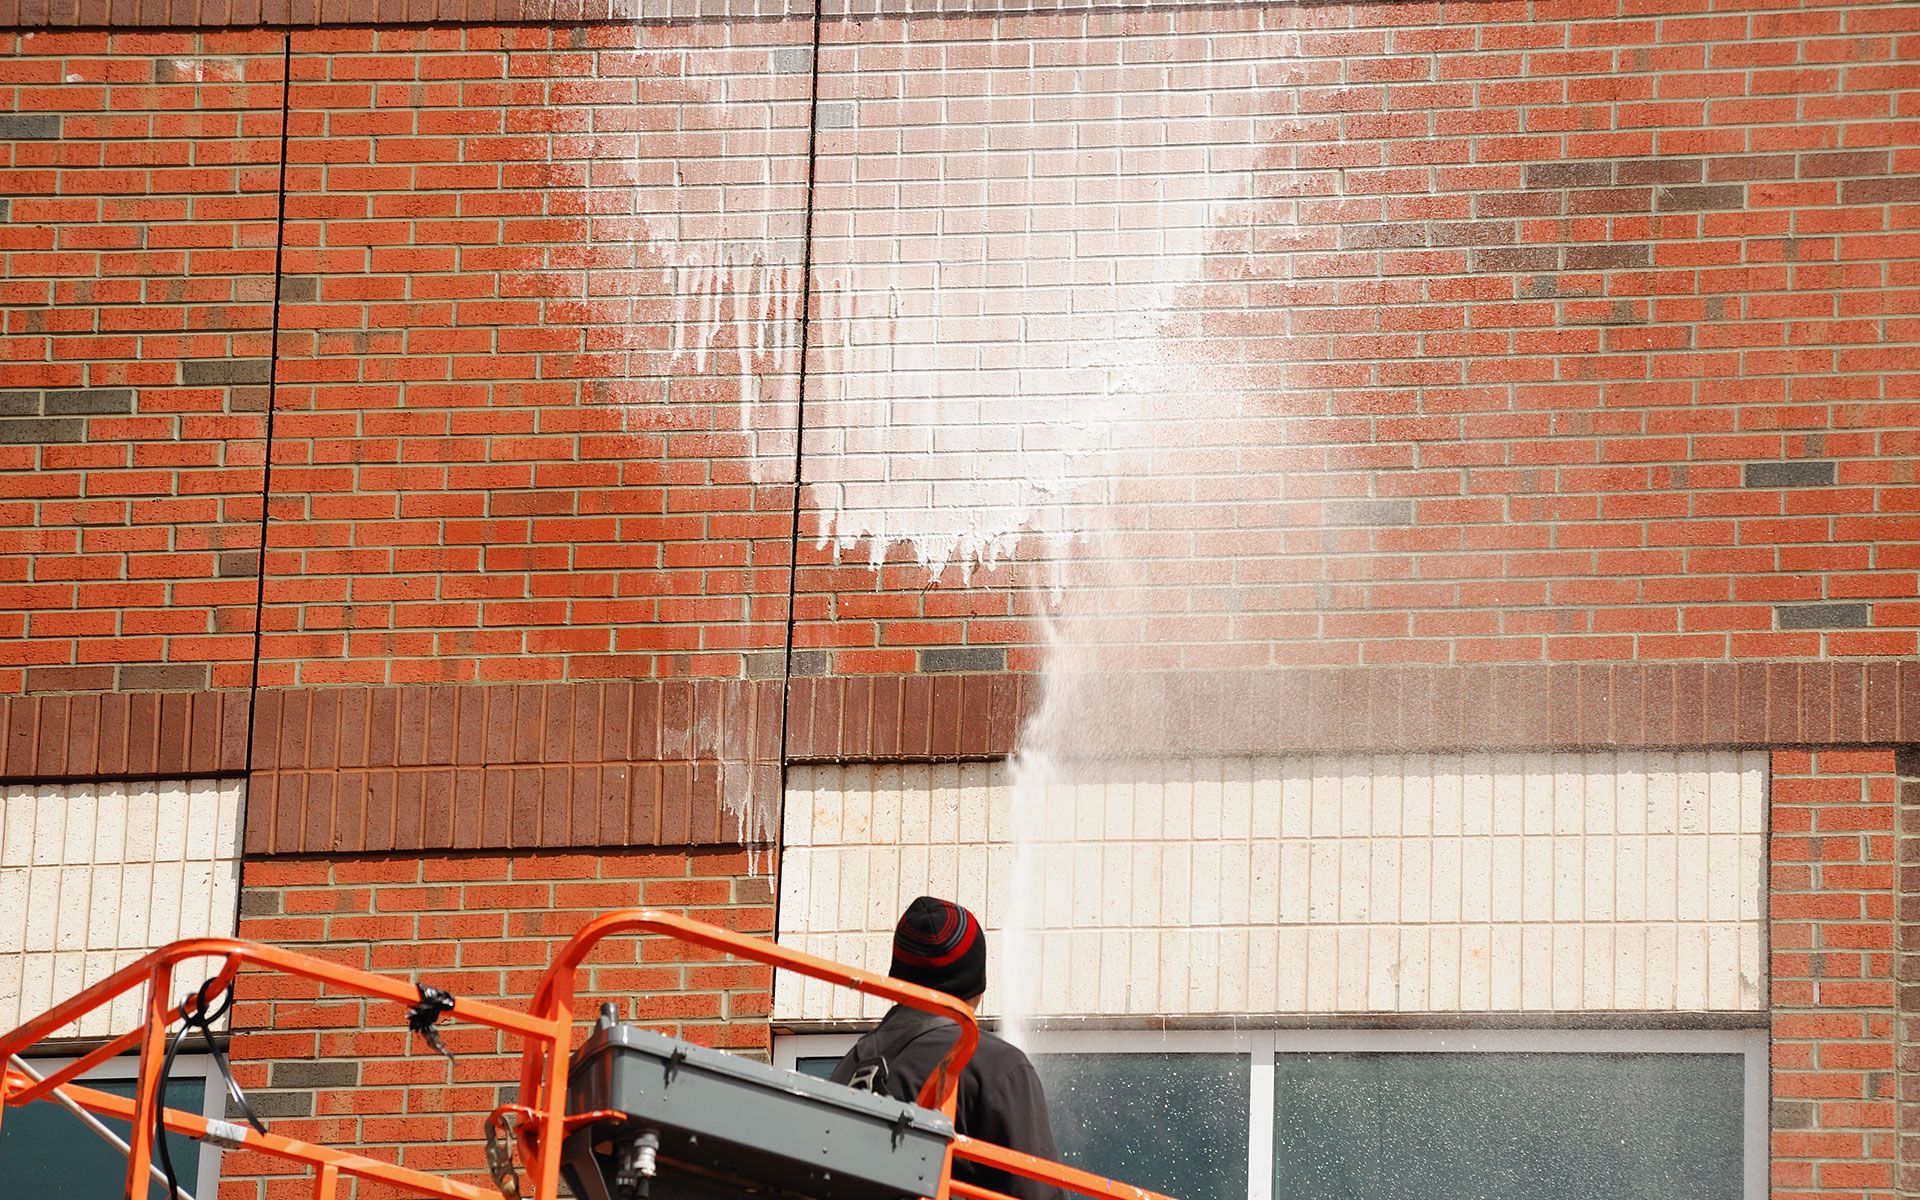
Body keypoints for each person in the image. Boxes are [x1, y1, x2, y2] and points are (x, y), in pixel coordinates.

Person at [830, 896, 1062, 1200]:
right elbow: (1036, 1193)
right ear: (976, 982)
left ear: (898, 976)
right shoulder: (995, 1065)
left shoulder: (850, 1067)